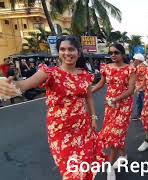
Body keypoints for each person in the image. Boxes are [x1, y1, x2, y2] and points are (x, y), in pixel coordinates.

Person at [0, 35, 99, 179]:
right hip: (60, 130)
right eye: (62, 49)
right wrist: (12, 85)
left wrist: (93, 118)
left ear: (78, 52)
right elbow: (25, 84)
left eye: (71, 49)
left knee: (84, 165)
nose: (66, 53)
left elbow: (88, 97)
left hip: (82, 126)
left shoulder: (85, 75)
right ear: (58, 52)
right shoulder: (49, 73)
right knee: (72, 173)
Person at [92, 44, 136, 170]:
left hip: (124, 106)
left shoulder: (130, 69)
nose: (113, 55)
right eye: (110, 53)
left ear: (122, 54)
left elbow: (131, 89)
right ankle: (123, 155)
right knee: (113, 133)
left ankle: (110, 168)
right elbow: (101, 83)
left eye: (116, 52)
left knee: (115, 134)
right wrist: (89, 92)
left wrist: (115, 99)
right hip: (110, 106)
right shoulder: (106, 68)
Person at [131, 53, 146, 121]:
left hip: (141, 88)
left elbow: (133, 76)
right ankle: (140, 115)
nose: (133, 61)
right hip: (140, 87)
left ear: (138, 60)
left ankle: (141, 115)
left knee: (141, 102)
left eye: (134, 59)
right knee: (140, 102)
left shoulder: (140, 67)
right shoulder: (143, 66)